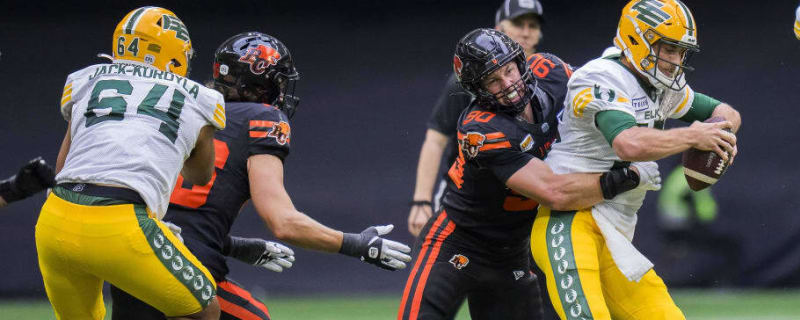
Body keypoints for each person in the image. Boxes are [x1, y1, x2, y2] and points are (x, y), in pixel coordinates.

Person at [110, 32, 413, 320]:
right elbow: (283, 223)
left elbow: (177, 215)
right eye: (277, 82)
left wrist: (233, 246)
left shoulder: (184, 108)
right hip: (186, 267)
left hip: (131, 261)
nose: (282, 91)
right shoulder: (262, 119)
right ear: (257, 84)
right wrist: (357, 244)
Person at [397, 28, 660, 320]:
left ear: (520, 62)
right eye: (493, 80)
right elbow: (555, 192)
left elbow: (601, 96)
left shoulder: (554, 74)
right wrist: (627, 177)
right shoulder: (481, 128)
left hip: (514, 252)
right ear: (478, 90)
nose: (508, 83)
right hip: (459, 241)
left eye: (509, 70)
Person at [530, 0, 742, 319]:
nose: (675, 61)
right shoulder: (602, 76)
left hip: (613, 232)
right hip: (570, 221)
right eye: (668, 49)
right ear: (635, 40)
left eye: (682, 52)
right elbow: (628, 144)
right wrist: (695, 136)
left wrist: (722, 132)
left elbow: (726, 111)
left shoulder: (661, 84)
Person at [35, 7, 226, 320]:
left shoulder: (86, 80)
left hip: (55, 221)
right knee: (203, 309)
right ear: (174, 52)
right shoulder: (200, 97)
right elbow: (200, 175)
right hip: (121, 222)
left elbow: (62, 167)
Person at [408, 0, 544, 237]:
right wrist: (421, 201)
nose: (525, 31)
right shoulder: (470, 81)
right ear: (499, 29)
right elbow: (436, 140)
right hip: (465, 193)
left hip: (521, 195)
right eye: (518, 23)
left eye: (532, 25)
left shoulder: (546, 74)